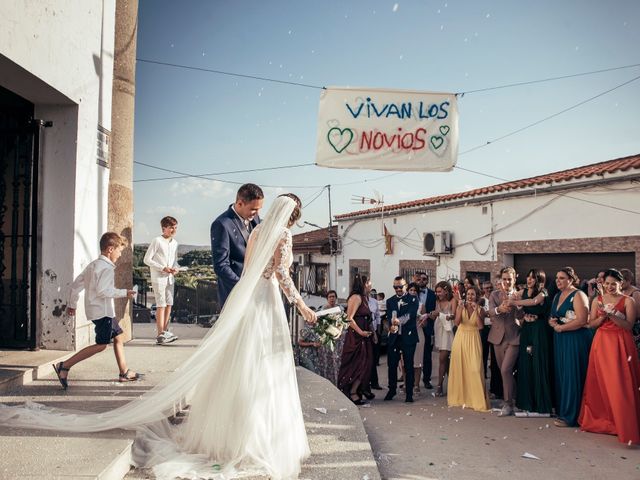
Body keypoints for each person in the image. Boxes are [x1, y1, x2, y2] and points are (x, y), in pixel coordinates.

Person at [2, 194, 317, 480]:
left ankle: (233, 438)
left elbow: (249, 270)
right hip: (267, 302)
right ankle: (259, 438)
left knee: (244, 364)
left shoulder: (258, 231)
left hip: (249, 300)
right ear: (292, 217)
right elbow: (282, 275)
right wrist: (301, 304)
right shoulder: (283, 235)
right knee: (264, 365)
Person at [52, 232, 140, 389]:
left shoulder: (93, 265)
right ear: (110, 249)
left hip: (99, 311)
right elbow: (103, 291)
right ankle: (64, 366)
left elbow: (75, 285)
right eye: (119, 251)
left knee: (119, 337)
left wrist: (72, 304)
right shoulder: (106, 268)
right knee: (101, 345)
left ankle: (124, 372)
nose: (120, 255)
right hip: (103, 312)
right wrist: (124, 292)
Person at [579, 269, 640, 444]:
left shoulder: (629, 301)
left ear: (620, 283)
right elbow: (591, 324)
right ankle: (604, 421)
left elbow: (628, 326)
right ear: (602, 284)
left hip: (621, 343)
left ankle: (624, 424)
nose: (610, 287)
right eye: (606, 283)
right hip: (601, 343)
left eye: (613, 283)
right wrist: (603, 316)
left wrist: (612, 315)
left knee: (620, 383)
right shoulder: (597, 300)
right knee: (599, 382)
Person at [549, 267, 593, 428]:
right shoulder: (557, 296)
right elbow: (553, 317)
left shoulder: (579, 295)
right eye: (557, 278)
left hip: (575, 339)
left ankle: (571, 416)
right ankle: (563, 410)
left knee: (572, 375)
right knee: (562, 374)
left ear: (571, 279)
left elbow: (582, 320)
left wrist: (561, 328)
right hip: (560, 339)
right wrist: (552, 323)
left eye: (562, 278)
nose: (558, 281)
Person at [211, 183, 264, 307]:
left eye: (259, 209)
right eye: (253, 209)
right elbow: (220, 265)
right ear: (240, 203)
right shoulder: (222, 224)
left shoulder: (255, 218)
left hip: (256, 288)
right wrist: (242, 286)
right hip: (234, 291)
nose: (256, 213)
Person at [509, 269, 553, 414]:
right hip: (527, 328)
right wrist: (517, 306)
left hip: (539, 330)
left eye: (533, 278)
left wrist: (515, 301)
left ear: (539, 280)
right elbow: (517, 305)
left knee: (537, 362)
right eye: (528, 277)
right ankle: (526, 402)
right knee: (526, 362)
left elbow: (534, 301)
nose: (529, 280)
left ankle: (541, 403)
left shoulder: (544, 292)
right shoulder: (522, 292)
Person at [447, 285, 490, 411]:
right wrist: (460, 307)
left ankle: (476, 399)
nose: (470, 296)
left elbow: (481, 326)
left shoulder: (481, 309)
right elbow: (457, 322)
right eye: (468, 294)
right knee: (460, 368)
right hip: (460, 338)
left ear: (477, 296)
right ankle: (461, 398)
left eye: (473, 294)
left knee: (475, 369)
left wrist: (476, 310)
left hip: (474, 338)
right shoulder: (462, 306)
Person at [488, 267, 521, 416]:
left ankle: (508, 404)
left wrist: (518, 305)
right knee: (504, 372)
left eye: (510, 279)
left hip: (514, 337)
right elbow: (490, 313)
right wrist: (499, 309)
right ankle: (514, 399)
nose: (507, 281)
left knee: (506, 370)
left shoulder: (519, 294)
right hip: (497, 338)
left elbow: (521, 314)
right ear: (501, 280)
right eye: (505, 279)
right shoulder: (494, 295)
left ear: (514, 279)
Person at [338, 275, 375, 405]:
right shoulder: (356, 298)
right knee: (358, 365)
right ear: (364, 283)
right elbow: (349, 318)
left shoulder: (365, 298)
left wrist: (372, 334)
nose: (371, 284)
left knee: (366, 365)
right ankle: (352, 392)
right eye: (369, 281)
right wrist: (361, 332)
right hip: (356, 337)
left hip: (365, 337)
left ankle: (357, 391)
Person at [143, 216, 180, 345]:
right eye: (171, 227)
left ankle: (165, 332)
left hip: (170, 278)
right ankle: (160, 335)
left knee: (169, 304)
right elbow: (147, 259)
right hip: (159, 278)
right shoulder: (157, 241)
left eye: (175, 227)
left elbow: (175, 261)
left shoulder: (175, 243)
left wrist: (176, 268)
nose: (174, 230)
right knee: (161, 305)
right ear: (164, 228)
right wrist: (162, 268)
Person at [385, 276, 419, 402]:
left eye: (400, 286)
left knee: (408, 365)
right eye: (395, 287)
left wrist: (399, 321)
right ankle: (391, 390)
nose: (398, 289)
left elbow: (411, 314)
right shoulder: (390, 301)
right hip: (394, 338)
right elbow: (389, 317)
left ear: (406, 286)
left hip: (408, 337)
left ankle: (409, 393)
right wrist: (390, 326)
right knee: (392, 365)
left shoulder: (413, 299)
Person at [430, 280, 458, 397]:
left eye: (440, 291)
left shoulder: (453, 300)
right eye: (436, 292)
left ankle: (442, 386)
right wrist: (432, 314)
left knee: (444, 358)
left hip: (449, 331)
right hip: (439, 330)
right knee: (445, 360)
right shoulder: (437, 301)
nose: (438, 294)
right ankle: (446, 386)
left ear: (446, 291)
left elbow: (455, 316)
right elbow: (434, 316)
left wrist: (440, 314)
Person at [320, 290, 345, 385]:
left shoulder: (340, 309)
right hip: (327, 338)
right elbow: (321, 325)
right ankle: (327, 382)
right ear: (327, 299)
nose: (332, 298)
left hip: (339, 338)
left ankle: (338, 382)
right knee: (328, 361)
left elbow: (343, 322)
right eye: (330, 297)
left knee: (337, 361)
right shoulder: (323, 309)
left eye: (333, 296)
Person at [417, 272, 436, 389]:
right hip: (414, 328)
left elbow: (435, 310)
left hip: (428, 328)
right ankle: (411, 381)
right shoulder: (412, 293)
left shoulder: (433, 295)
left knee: (427, 355)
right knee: (412, 355)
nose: (421, 281)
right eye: (419, 279)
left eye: (424, 279)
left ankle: (427, 379)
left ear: (427, 281)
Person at [620, 268, 640, 358]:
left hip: (635, 328)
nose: (620, 284)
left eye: (622, 282)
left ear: (629, 281)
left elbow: (638, 314)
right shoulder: (621, 291)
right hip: (623, 325)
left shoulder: (635, 293)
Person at [368, 288, 383, 390]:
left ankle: (374, 382)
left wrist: (378, 331)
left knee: (373, 358)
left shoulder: (374, 302)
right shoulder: (358, 299)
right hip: (363, 330)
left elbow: (378, 316)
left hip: (373, 330)